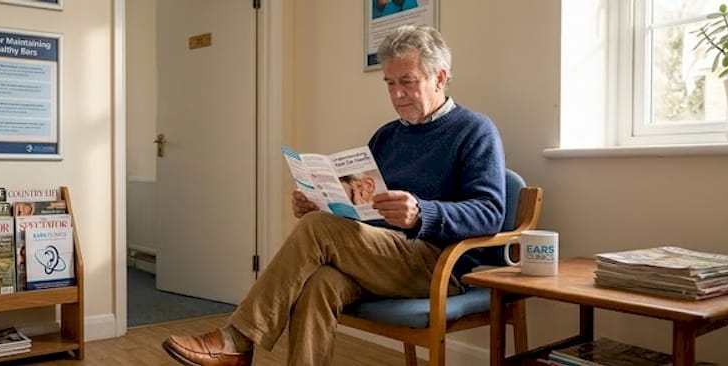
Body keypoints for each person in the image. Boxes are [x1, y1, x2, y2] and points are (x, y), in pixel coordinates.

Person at [161, 25, 506, 366]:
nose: (397, 94)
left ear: (440, 77)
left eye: (407, 82)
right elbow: (362, 209)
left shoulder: (475, 130)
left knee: (318, 228)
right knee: (320, 283)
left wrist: (421, 212)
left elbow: (490, 212)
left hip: (437, 263)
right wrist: (321, 202)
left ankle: (237, 339)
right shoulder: (387, 137)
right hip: (381, 254)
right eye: (389, 83)